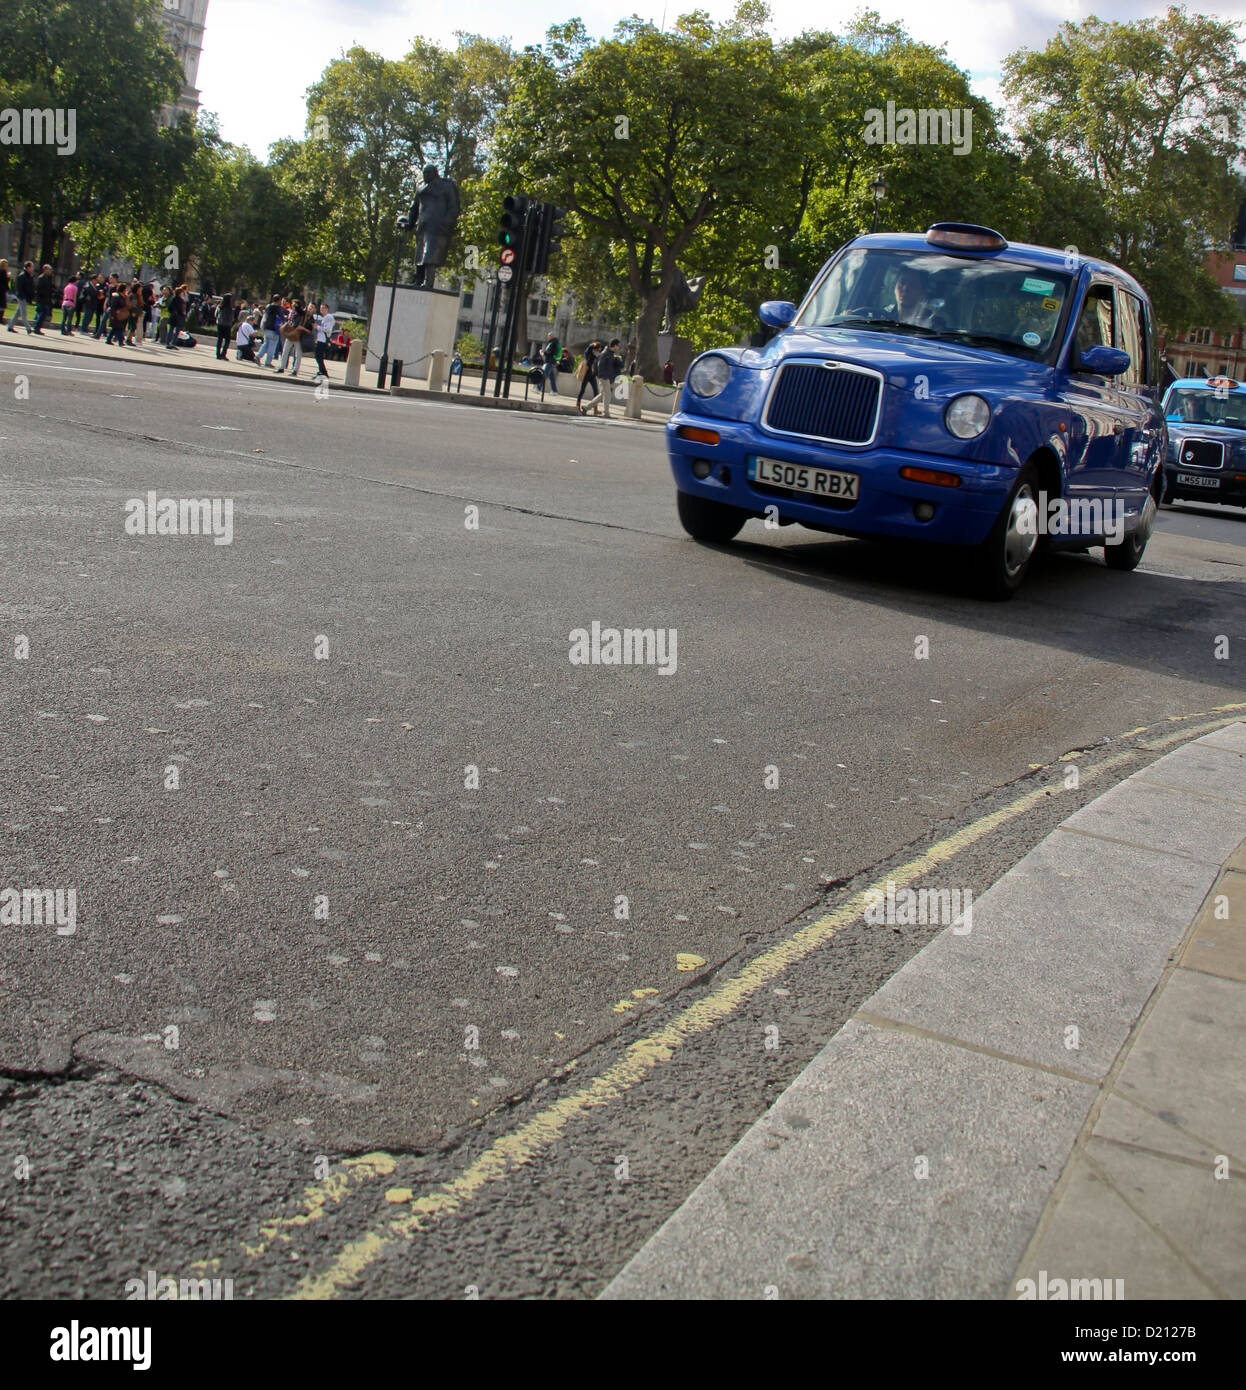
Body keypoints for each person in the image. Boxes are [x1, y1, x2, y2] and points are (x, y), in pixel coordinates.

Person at [583, 338, 622, 420]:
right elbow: (600, 365)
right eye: (618, 345)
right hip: (604, 377)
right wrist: (603, 376)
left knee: (602, 395)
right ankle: (606, 413)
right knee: (608, 394)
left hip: (607, 377)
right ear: (614, 345)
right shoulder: (605, 353)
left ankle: (586, 407)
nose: (619, 347)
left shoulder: (610, 353)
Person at [277, 299, 308, 376]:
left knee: (296, 353)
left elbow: (295, 323)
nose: (293, 306)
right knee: (286, 351)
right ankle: (282, 367)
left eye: (294, 304)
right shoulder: (293, 312)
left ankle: (294, 370)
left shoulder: (301, 313)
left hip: (296, 334)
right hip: (292, 334)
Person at [257, 294, 284, 366]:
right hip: (274, 329)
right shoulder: (278, 308)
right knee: (272, 346)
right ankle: (268, 362)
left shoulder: (268, 307)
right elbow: (282, 318)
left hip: (267, 327)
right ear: (279, 300)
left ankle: (258, 356)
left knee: (265, 344)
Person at [312, 301, 334, 383]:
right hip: (321, 339)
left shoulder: (328, 317)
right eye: (321, 308)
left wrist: (317, 327)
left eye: (323, 308)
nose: (322, 310)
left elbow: (327, 329)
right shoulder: (325, 317)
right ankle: (322, 371)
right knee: (318, 356)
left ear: (327, 309)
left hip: (323, 340)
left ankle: (323, 372)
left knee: (318, 356)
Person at [577, 341, 600, 414]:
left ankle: (595, 409)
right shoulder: (589, 353)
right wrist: (592, 344)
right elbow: (588, 349)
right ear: (596, 348)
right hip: (586, 374)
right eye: (599, 348)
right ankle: (578, 407)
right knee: (582, 390)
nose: (600, 349)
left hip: (593, 375)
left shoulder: (597, 355)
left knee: (596, 392)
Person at [32, 264, 55, 334]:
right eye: (49, 269)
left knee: (41, 313)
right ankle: (36, 328)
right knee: (43, 313)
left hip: (46, 299)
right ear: (45, 270)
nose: (50, 271)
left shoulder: (48, 278)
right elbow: (39, 289)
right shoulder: (41, 278)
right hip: (42, 299)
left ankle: (36, 327)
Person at [215, 293, 235, 360]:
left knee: (219, 339)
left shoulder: (220, 306)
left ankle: (218, 354)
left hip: (219, 324)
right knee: (227, 340)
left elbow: (216, 314)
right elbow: (231, 318)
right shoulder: (229, 307)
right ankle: (223, 354)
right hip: (227, 325)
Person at [0, 259, 8, 326]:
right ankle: (0, 319)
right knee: (2, 306)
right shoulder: (4, 271)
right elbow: (5, 281)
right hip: (2, 290)